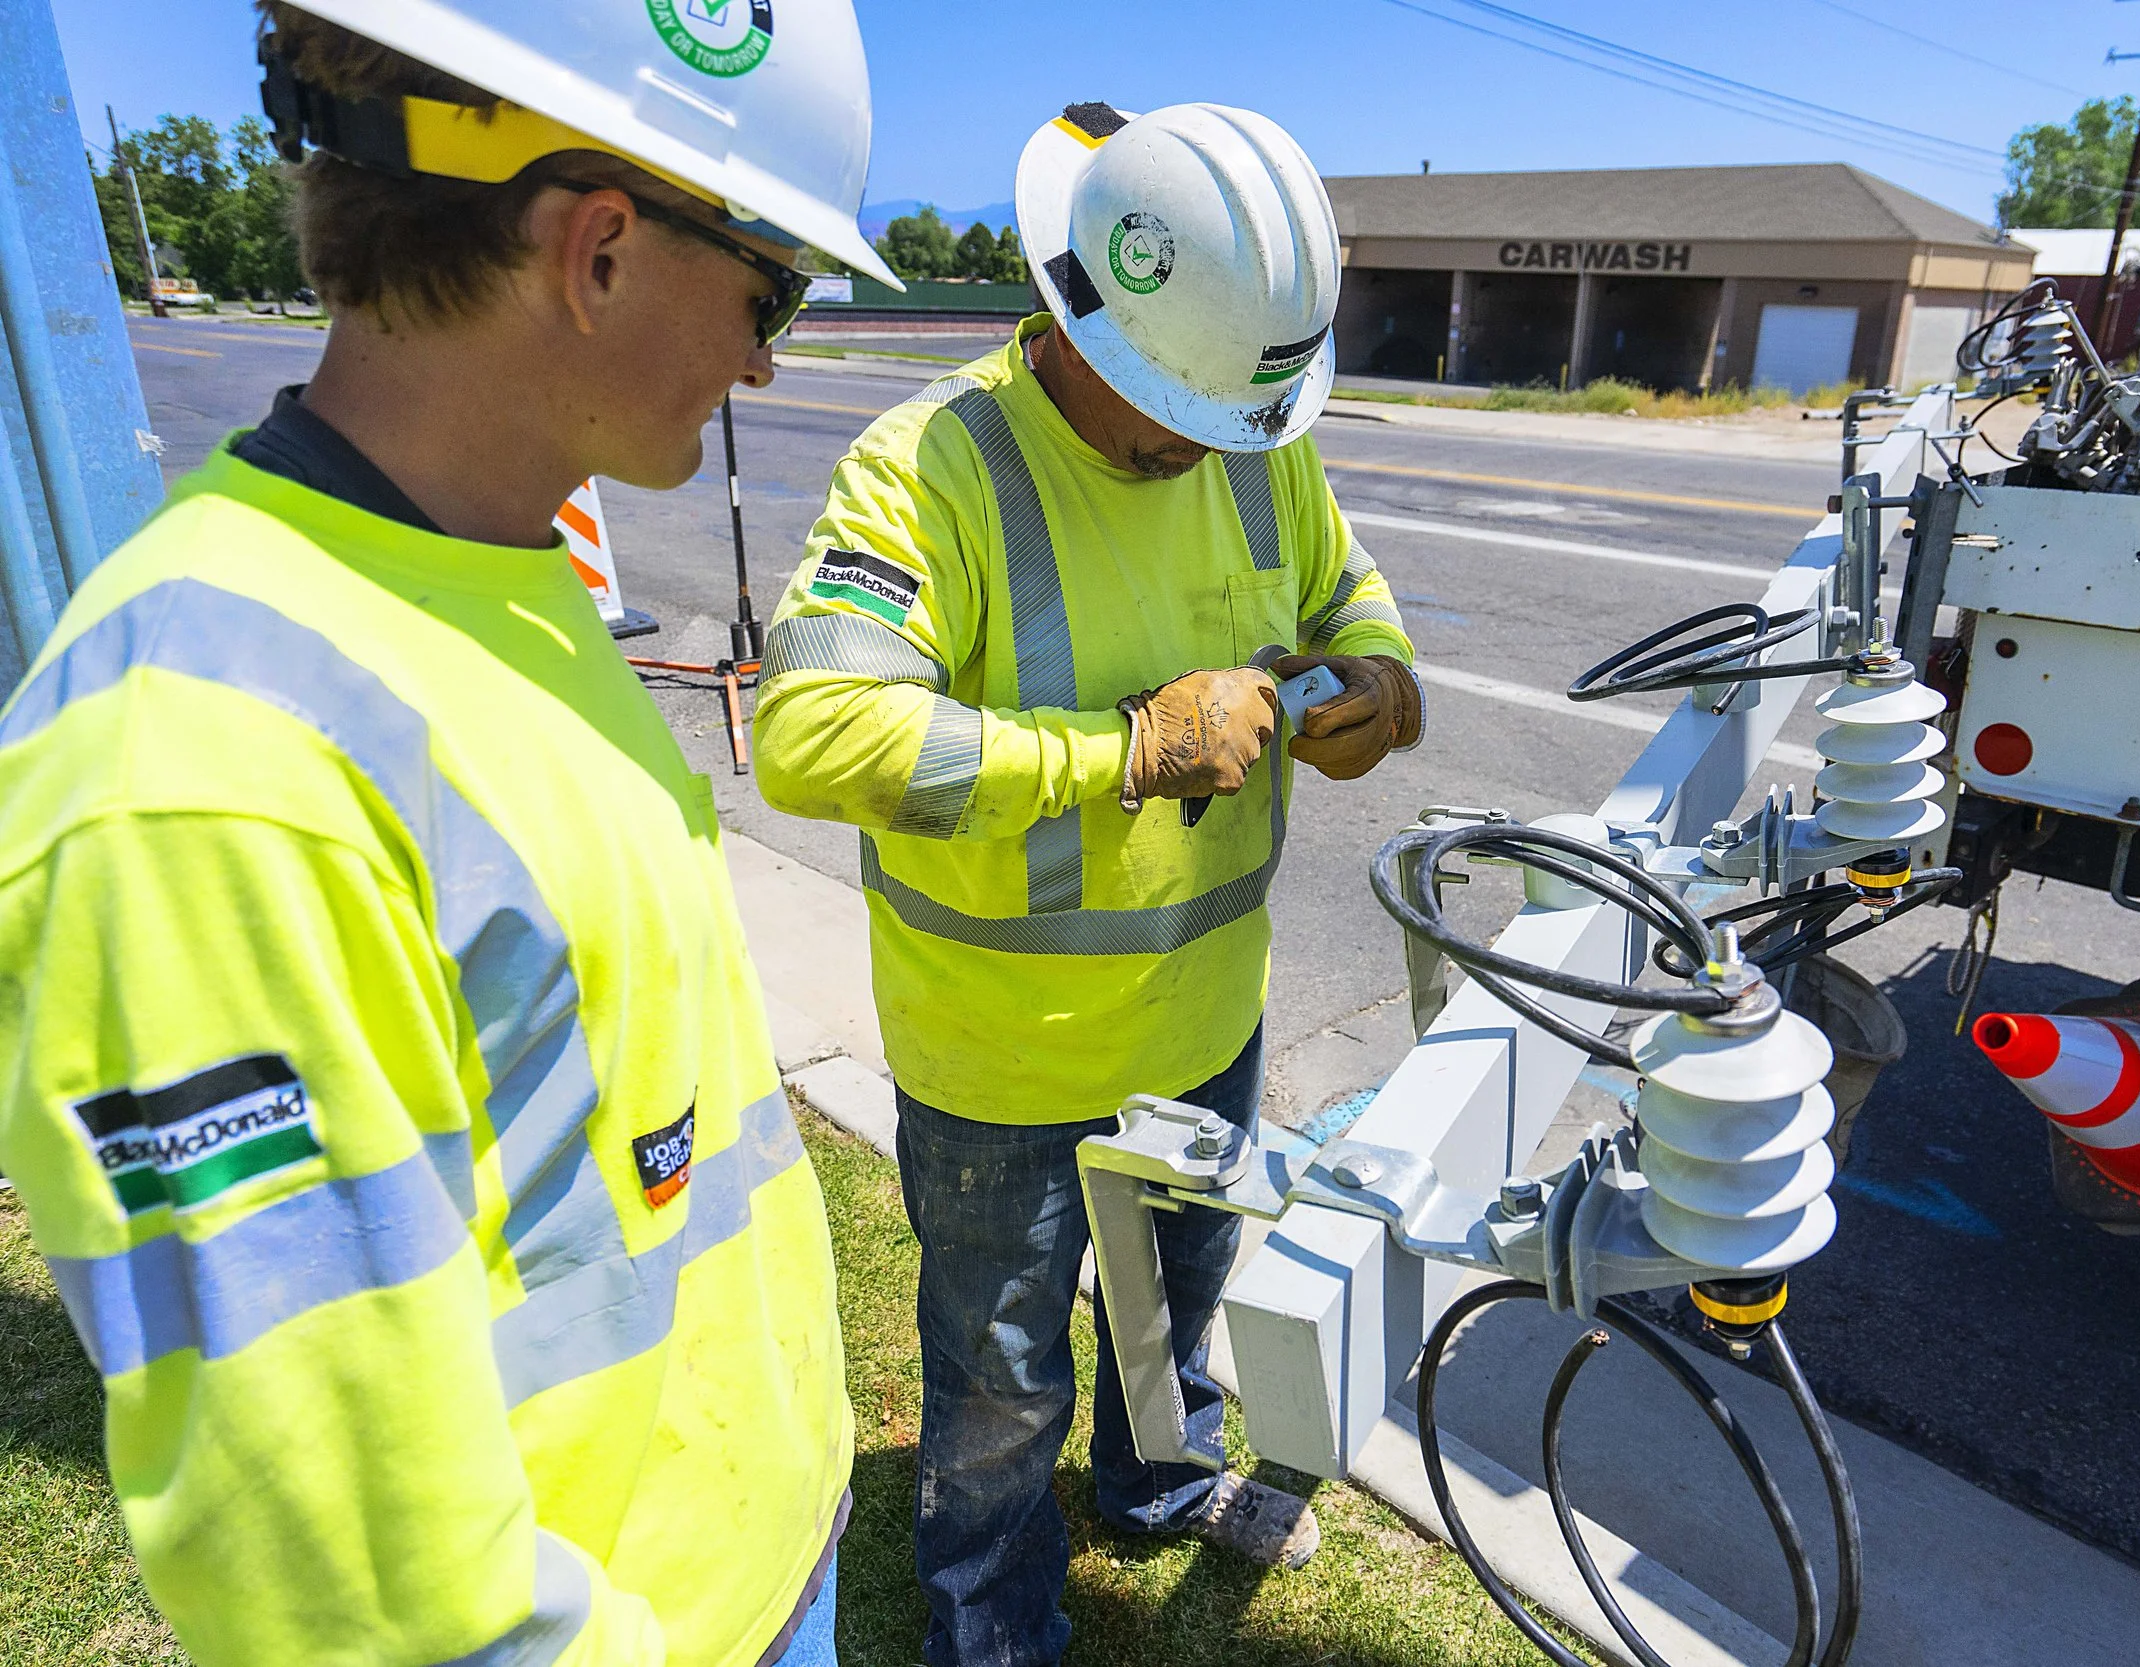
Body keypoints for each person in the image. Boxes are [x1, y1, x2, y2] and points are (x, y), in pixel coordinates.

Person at [0, 2, 901, 1661]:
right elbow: (359, 1597)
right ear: (601, 253)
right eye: (769, 288)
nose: (767, 357)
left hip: (746, 1563)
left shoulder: (498, 577)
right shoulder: (200, 768)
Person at [751, 101, 1422, 1667]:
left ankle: (1147, 1482)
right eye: (1170, 411)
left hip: (1204, 1021)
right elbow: (813, 732)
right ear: (1079, 317)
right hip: (1005, 1056)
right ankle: (991, 1611)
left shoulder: (1257, 430)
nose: (1201, 448)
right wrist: (1122, 750)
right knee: (998, 1385)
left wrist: (1376, 682)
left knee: (1170, 1313)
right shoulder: (936, 466)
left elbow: (1349, 593)